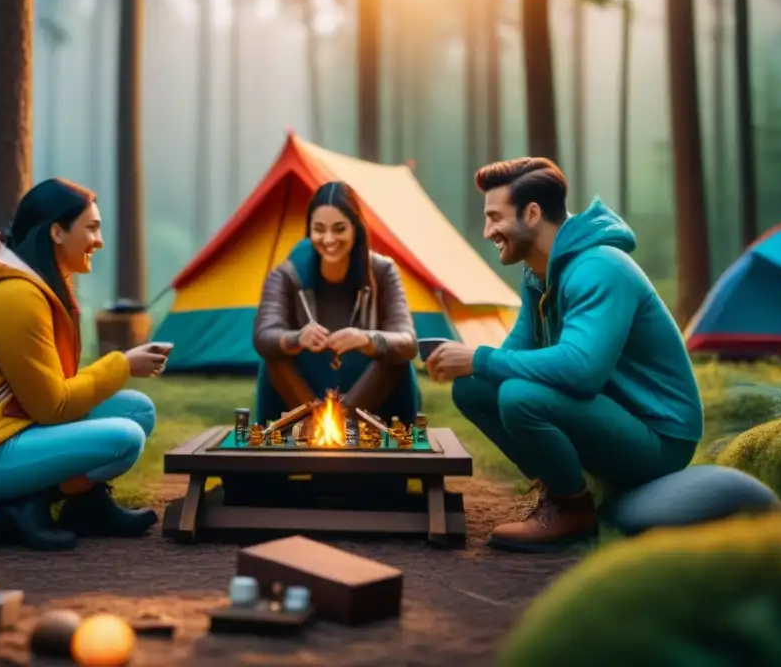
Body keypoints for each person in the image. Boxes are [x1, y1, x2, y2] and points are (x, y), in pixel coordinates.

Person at [426, 158, 703, 552]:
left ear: (533, 213)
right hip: (608, 412)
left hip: (659, 435)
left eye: (495, 218)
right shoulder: (539, 275)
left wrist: (480, 358)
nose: (488, 232)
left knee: (519, 396)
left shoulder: (599, 269)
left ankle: (572, 511)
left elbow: (582, 370)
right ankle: (560, 486)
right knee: (474, 388)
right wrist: (473, 364)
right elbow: (515, 352)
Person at [0, 178, 170, 551]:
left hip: (5, 424)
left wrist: (122, 368)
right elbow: (53, 407)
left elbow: (51, 389)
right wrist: (122, 365)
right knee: (124, 438)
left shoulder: (38, 287)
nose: (99, 241)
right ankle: (29, 501)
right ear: (56, 232)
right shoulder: (18, 297)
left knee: (136, 410)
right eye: (92, 228)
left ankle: (86, 506)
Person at [252, 181, 421, 425]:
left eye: (339, 229)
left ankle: (342, 419)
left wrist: (367, 339)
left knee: (395, 355)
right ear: (310, 230)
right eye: (319, 229)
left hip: (366, 392)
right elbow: (263, 335)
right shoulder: (286, 275)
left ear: (356, 228)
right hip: (303, 391)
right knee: (274, 355)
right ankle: (315, 421)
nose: (329, 239)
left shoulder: (383, 272)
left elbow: (407, 340)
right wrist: (296, 338)